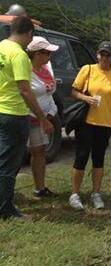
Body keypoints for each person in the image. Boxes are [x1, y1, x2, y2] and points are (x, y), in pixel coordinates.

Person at [0, 18, 54, 219]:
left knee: (2, 159)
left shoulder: (1, 47)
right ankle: (5, 209)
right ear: (30, 34)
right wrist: (42, 118)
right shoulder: (19, 55)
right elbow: (25, 90)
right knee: (9, 163)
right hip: (14, 114)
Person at [69, 41, 111, 211]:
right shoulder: (88, 69)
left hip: (105, 123)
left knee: (99, 159)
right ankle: (74, 193)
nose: (104, 57)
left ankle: (96, 193)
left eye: (108, 54)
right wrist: (86, 98)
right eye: (102, 54)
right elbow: (73, 92)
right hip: (86, 121)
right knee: (82, 156)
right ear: (97, 54)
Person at [26, 36, 59, 198]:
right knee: (17, 154)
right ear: (37, 54)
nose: (49, 56)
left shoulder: (47, 69)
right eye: (47, 53)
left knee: (39, 151)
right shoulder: (25, 71)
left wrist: (51, 111)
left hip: (44, 118)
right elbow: (25, 95)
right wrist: (41, 117)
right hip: (28, 118)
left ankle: (40, 187)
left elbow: (49, 94)